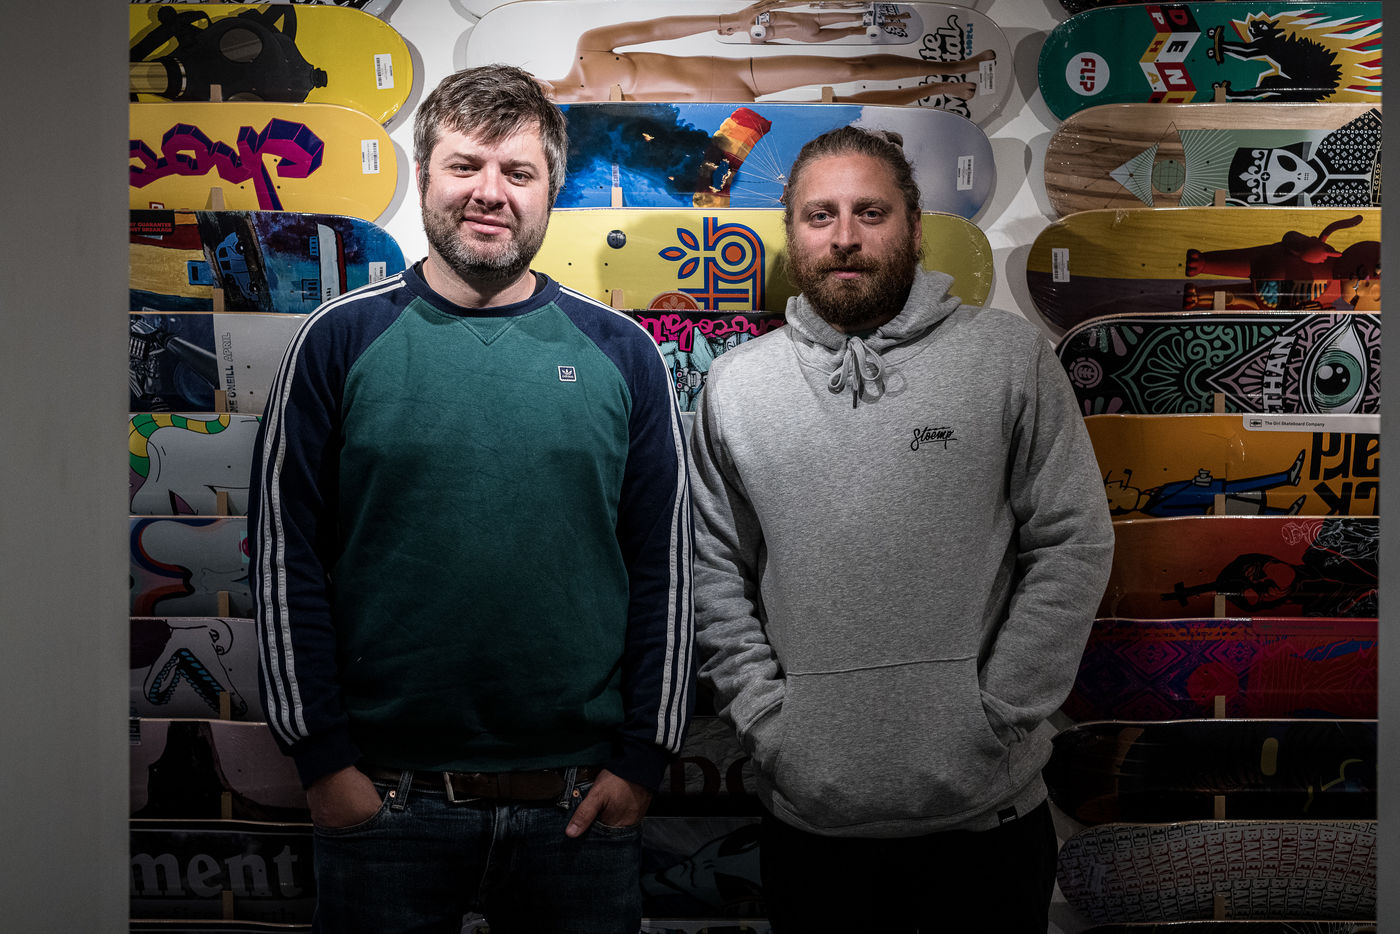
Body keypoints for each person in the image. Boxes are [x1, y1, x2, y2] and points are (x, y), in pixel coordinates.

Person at [249, 65, 694, 934]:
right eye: (465, 166)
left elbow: (668, 573)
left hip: (578, 808)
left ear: (550, 190)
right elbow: (281, 560)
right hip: (386, 804)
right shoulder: (337, 340)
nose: (490, 192)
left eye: (517, 171)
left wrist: (643, 762)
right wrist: (323, 764)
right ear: (424, 177)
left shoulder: (624, 353)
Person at [687, 126, 1115, 932]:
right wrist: (770, 724)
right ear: (793, 235)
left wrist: (999, 712)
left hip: (987, 826)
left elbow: (1074, 541)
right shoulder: (738, 386)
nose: (845, 237)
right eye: (820, 215)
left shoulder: (1007, 359)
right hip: (810, 826)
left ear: (915, 229)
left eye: (871, 212)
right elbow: (713, 568)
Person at [535, 0, 995, 104]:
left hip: (736, 72)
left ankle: (953, 64)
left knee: (847, 67)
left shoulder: (588, 49)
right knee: (842, 107)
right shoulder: (577, 121)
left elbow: (657, 28)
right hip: (722, 113)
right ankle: (935, 88)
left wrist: (726, 20)